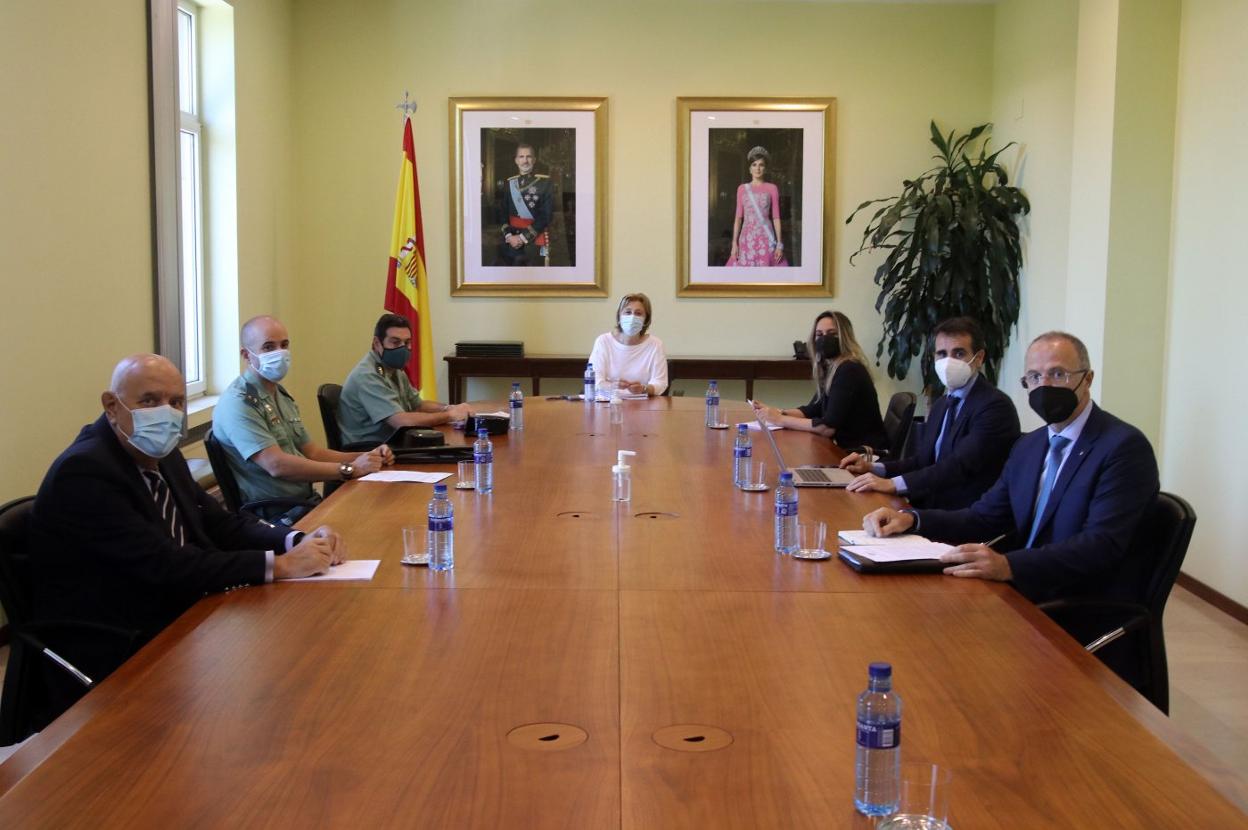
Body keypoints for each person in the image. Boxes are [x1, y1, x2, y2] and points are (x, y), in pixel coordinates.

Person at [29, 354, 345, 696]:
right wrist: (279, 566)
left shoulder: (161, 454)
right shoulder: (85, 472)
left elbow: (218, 523)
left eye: (175, 402)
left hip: (178, 610)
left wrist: (295, 540)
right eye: (149, 400)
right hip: (120, 640)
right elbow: (164, 564)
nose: (165, 413)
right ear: (111, 405)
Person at [861, 331, 1160, 604]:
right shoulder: (1030, 446)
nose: (1044, 385)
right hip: (1019, 588)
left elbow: (1100, 546)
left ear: (1088, 379)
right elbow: (984, 517)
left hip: (1074, 601)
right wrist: (911, 519)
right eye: (1033, 376)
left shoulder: (1122, 447)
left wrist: (1009, 565)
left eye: (1057, 374)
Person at [212, 315, 394, 523]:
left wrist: (368, 457)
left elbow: (313, 452)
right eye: (269, 347)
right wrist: (349, 469)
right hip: (277, 516)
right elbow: (276, 465)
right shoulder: (239, 402)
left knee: (382, 512)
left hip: (305, 503)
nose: (279, 353)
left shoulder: (279, 394)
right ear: (247, 354)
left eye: (284, 345)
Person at [839, 317, 1020, 509]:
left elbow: (958, 467)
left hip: (964, 516)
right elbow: (922, 461)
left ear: (979, 358)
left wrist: (893, 484)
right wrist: (873, 468)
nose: (948, 361)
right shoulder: (942, 404)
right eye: (942, 354)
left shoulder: (995, 407)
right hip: (929, 507)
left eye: (959, 353)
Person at [752, 311, 887, 451]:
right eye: (819, 335)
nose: (824, 339)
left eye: (832, 333)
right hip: (847, 450)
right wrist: (775, 412)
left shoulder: (849, 370)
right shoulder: (833, 368)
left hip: (865, 455)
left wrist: (780, 420)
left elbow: (826, 428)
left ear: (844, 337)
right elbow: (813, 410)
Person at [338, 313, 473, 446]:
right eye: (395, 342)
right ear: (377, 343)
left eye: (407, 342)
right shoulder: (367, 375)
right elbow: (401, 421)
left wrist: (449, 408)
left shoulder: (394, 369)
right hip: (369, 452)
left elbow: (418, 405)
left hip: (393, 445)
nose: (403, 348)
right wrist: (450, 415)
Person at [588, 293, 668, 397]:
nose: (632, 317)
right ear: (619, 317)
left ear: (646, 319)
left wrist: (644, 389)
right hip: (608, 403)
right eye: (628, 312)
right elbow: (595, 381)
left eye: (638, 313)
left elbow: (660, 383)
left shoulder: (655, 344)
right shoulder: (603, 342)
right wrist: (613, 385)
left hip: (643, 406)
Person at [727, 146, 787, 267]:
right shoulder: (742, 189)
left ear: (765, 168)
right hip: (746, 238)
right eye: (754, 164)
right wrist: (734, 243)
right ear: (750, 168)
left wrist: (779, 244)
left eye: (761, 165)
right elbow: (738, 218)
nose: (758, 168)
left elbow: (776, 218)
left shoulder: (772, 188)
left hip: (766, 239)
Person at [496, 143, 554, 267]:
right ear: (516, 160)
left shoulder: (545, 183)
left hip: (533, 241)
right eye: (521, 157)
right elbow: (503, 212)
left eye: (528, 156)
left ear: (534, 159)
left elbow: (546, 215)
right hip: (511, 241)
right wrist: (509, 236)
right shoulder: (510, 183)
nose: (525, 160)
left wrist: (522, 237)